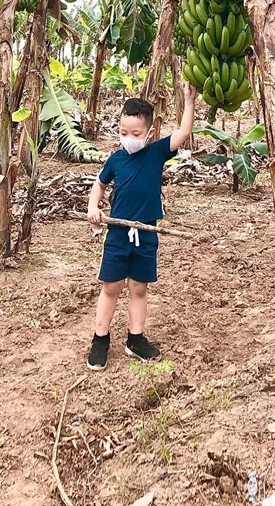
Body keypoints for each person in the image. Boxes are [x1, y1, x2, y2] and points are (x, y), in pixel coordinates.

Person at [86, 84, 196, 370]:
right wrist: (93, 207)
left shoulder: (157, 152)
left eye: (136, 134)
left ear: (149, 133)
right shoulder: (116, 159)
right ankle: (100, 340)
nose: (129, 139)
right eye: (123, 133)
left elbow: (183, 132)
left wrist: (188, 101)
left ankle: (135, 339)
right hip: (118, 233)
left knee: (138, 287)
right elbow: (99, 184)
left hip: (146, 232)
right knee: (111, 287)